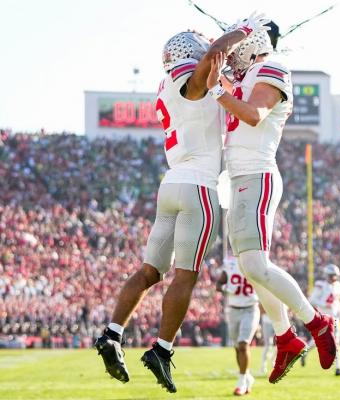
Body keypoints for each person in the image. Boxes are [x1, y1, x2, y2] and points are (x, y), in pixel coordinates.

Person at [94, 13, 272, 393]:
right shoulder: (190, 82)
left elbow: (214, 75)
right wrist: (244, 32)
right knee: (185, 276)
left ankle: (112, 333)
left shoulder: (166, 84)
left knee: (149, 272)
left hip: (170, 184)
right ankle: (161, 348)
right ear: (193, 52)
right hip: (198, 189)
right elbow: (213, 58)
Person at [206, 26, 337, 384]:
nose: (232, 56)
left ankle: (316, 324)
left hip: (258, 175)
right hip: (240, 180)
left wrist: (217, 88)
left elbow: (253, 115)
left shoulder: (273, 68)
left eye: (236, 49)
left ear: (253, 46)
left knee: (258, 265)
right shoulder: (248, 75)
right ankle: (285, 337)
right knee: (250, 267)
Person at [216, 257, 260, 396]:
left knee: (243, 344)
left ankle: (241, 382)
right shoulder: (230, 263)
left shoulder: (256, 260)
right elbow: (218, 284)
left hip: (251, 308)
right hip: (233, 309)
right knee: (237, 347)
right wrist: (227, 289)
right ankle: (247, 377)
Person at [301, 263, 340, 376]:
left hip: (334, 318)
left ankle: (338, 368)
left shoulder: (337, 285)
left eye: (335, 276)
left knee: (336, 342)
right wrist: (325, 304)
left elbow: (336, 301)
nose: (333, 278)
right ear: (326, 275)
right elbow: (311, 300)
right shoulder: (320, 285)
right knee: (320, 342)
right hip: (324, 318)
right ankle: (305, 352)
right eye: (331, 275)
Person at [259, 304, 276, 376]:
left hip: (277, 320)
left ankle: (274, 361)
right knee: (268, 344)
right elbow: (261, 308)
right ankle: (263, 365)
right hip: (267, 320)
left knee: (280, 343)